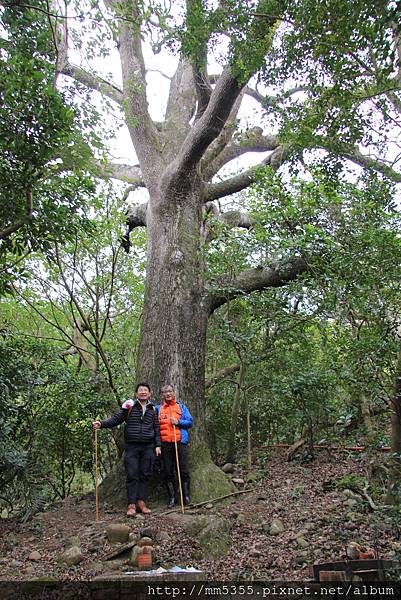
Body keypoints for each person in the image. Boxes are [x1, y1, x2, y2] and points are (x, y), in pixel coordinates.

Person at [92, 382, 161, 517]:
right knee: (132, 475)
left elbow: (156, 428)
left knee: (145, 474)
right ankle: (131, 504)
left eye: (145, 390)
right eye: (140, 390)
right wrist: (101, 424)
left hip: (148, 446)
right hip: (132, 446)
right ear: (136, 394)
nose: (143, 392)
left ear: (150, 393)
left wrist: (158, 445)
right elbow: (117, 419)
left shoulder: (153, 409)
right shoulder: (129, 406)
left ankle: (141, 502)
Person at [156, 384, 193, 508]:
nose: (168, 394)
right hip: (165, 443)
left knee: (183, 470)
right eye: (165, 392)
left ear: (173, 392)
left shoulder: (181, 407)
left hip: (180, 442)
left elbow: (190, 422)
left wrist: (178, 422)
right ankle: (172, 497)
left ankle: (186, 496)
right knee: (167, 471)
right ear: (162, 394)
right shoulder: (158, 409)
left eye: (170, 391)